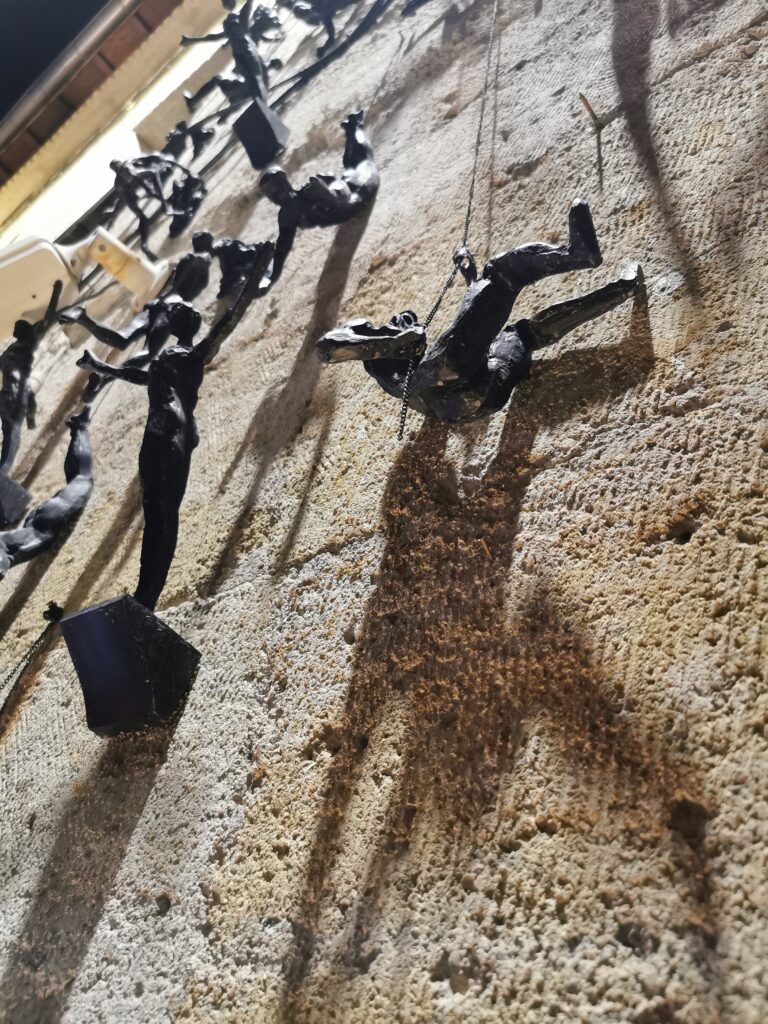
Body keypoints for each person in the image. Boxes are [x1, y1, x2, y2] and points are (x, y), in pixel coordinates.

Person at [75, 243, 274, 611]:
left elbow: (230, 319)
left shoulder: (195, 353)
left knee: (164, 508)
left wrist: (260, 264)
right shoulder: (168, 356)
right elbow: (142, 376)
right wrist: (101, 368)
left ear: (190, 322)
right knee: (152, 505)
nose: (175, 311)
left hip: (173, 429)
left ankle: (149, 595)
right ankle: (144, 591)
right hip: (156, 429)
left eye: (182, 311)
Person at [317, 200, 644, 421]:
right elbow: (334, 347)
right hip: (456, 378)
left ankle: (619, 286)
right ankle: (581, 257)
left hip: (470, 399)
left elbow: (467, 324)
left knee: (521, 333)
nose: (402, 322)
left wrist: (469, 278)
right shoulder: (384, 360)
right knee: (502, 275)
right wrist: (393, 341)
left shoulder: (395, 366)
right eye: (398, 322)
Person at [260, 110, 379, 285]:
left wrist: (329, 190)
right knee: (351, 164)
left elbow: (344, 201)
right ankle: (352, 127)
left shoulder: (311, 192)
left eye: (275, 192)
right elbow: (282, 246)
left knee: (363, 162)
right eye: (270, 195)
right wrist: (272, 275)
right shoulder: (287, 215)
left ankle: (355, 125)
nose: (274, 197)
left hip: (360, 188)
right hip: (348, 193)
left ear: (284, 185)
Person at [0, 407, 93, 580]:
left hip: (41, 527)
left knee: (83, 481)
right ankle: (78, 427)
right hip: (34, 529)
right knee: (79, 480)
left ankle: (79, 426)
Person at [0, 281, 62, 475]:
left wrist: (56, 290)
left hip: (13, 395)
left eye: (18, 326)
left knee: (11, 434)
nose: (15, 326)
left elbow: (49, 317)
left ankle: (2, 473)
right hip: (9, 395)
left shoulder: (25, 344)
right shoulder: (15, 347)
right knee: (10, 434)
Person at [181, 0, 282, 110]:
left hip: (247, 82)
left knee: (222, 79)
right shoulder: (239, 25)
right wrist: (191, 40)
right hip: (248, 78)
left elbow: (214, 37)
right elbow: (214, 37)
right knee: (232, 78)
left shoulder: (235, 26)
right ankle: (194, 102)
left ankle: (194, 102)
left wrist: (191, 40)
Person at [110, 154, 207, 258]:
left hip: (145, 180)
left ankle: (145, 244)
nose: (127, 176)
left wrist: (162, 199)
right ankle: (144, 246)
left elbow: (154, 169)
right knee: (144, 215)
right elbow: (127, 200)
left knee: (157, 198)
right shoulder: (122, 184)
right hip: (133, 190)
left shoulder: (133, 166)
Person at [192, 231, 273, 298]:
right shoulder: (222, 246)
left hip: (255, 267)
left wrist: (224, 290)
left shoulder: (224, 248)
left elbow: (234, 270)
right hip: (254, 265)